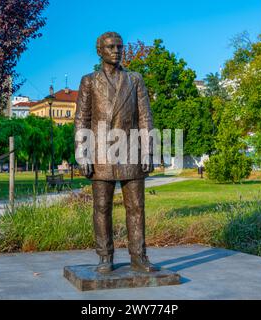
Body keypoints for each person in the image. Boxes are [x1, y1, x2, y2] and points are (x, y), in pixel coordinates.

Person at [74, 32, 159, 273]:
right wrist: (83, 154)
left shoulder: (135, 79)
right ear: (99, 51)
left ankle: (139, 256)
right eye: (110, 47)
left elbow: (145, 117)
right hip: (100, 151)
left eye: (119, 47)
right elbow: (81, 119)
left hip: (131, 149)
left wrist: (148, 152)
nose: (116, 51)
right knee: (101, 207)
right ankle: (105, 257)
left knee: (137, 207)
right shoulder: (89, 81)